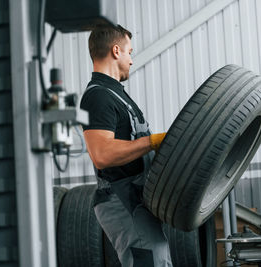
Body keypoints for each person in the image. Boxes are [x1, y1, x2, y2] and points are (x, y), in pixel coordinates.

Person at [80, 24, 172, 267]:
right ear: (116, 50)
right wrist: (151, 142)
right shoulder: (98, 96)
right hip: (120, 200)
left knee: (157, 260)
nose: (132, 60)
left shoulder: (116, 94)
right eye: (130, 52)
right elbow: (101, 154)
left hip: (135, 199)